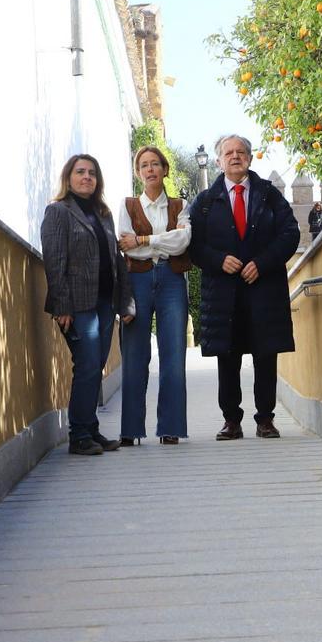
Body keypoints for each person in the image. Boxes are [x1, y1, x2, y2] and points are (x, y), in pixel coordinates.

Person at [189, 134, 300, 440]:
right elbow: (193, 246)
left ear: (250, 159)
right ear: (218, 161)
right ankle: (231, 421)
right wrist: (217, 260)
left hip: (264, 289)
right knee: (228, 356)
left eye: (241, 152)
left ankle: (265, 419)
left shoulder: (269, 194)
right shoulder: (205, 202)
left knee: (266, 355)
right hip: (223, 293)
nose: (235, 156)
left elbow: (290, 234)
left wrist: (262, 263)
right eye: (229, 153)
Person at [41, 154, 135, 455]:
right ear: (68, 178)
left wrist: (125, 303)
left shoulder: (103, 214)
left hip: (105, 304)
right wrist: (62, 306)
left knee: (94, 368)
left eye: (92, 173)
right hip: (77, 306)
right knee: (87, 366)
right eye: (80, 172)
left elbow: (116, 261)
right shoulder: (58, 212)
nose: (86, 177)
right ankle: (79, 436)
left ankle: (90, 429)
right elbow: (54, 262)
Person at [116, 146, 191, 446]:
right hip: (138, 279)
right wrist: (162, 242)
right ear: (138, 172)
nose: (150, 169)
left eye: (155, 164)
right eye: (144, 165)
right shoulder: (128, 205)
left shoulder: (179, 205)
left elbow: (183, 242)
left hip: (172, 279)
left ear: (164, 169)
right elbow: (126, 245)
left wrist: (146, 240)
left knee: (174, 353)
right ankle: (130, 429)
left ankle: (170, 427)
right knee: (135, 355)